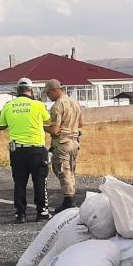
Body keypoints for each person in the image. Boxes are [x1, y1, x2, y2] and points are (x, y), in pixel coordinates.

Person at [0, 78, 51, 223]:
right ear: (31, 90)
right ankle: (42, 212)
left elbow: (1, 126)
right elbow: (48, 121)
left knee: (20, 182)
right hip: (36, 149)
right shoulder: (38, 105)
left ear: (17, 91)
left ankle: (20, 214)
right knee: (40, 181)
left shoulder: (8, 105)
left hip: (17, 151)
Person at [44, 79, 83, 214]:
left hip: (62, 143)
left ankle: (69, 201)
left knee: (63, 170)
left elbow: (54, 129)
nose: (48, 96)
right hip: (74, 141)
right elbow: (81, 124)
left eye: (48, 93)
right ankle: (70, 196)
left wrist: (42, 127)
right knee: (70, 170)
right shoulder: (75, 102)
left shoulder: (57, 106)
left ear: (54, 90)